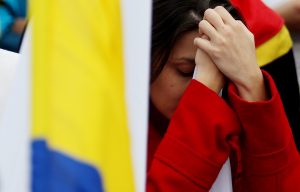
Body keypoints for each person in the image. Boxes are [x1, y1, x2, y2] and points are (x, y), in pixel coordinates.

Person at [147, 0, 300, 191]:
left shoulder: (235, 110)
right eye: (186, 71)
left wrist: (252, 85)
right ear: (145, 54)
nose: (199, 89)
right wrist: (205, 90)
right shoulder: (108, 124)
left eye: (221, 74)